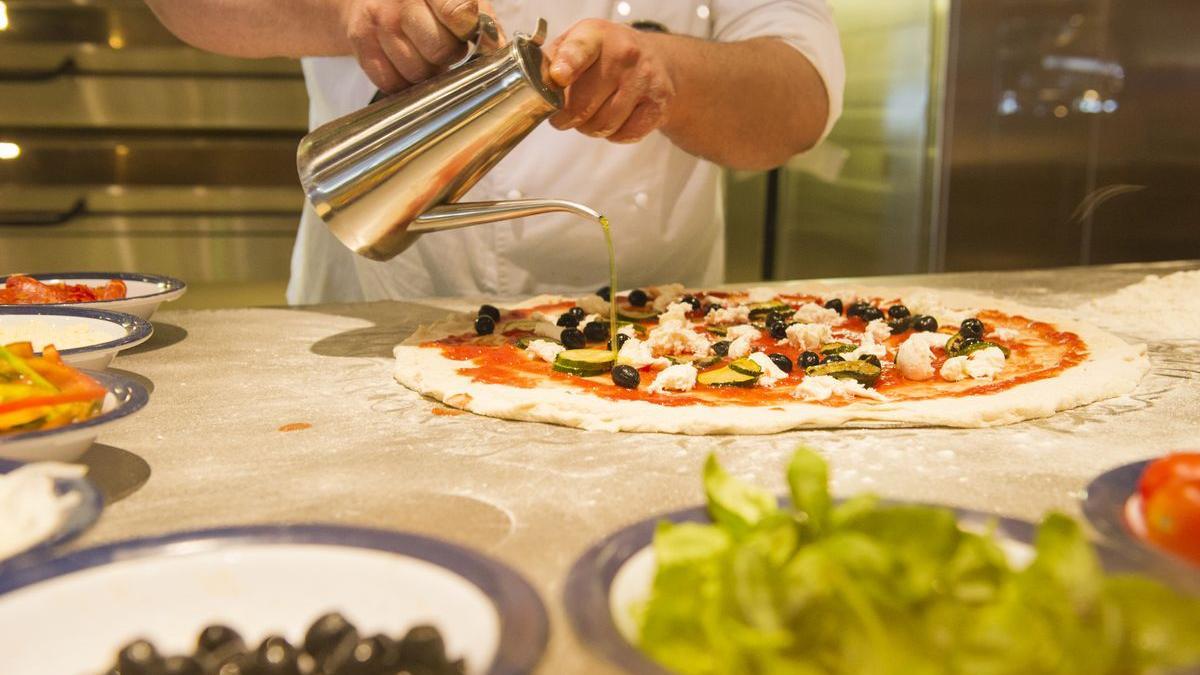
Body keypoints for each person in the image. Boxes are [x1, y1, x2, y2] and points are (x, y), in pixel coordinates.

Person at [145, 1, 844, 303]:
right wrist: (343, 12)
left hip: (644, 342)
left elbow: (800, 97)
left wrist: (670, 76)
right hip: (365, 313)